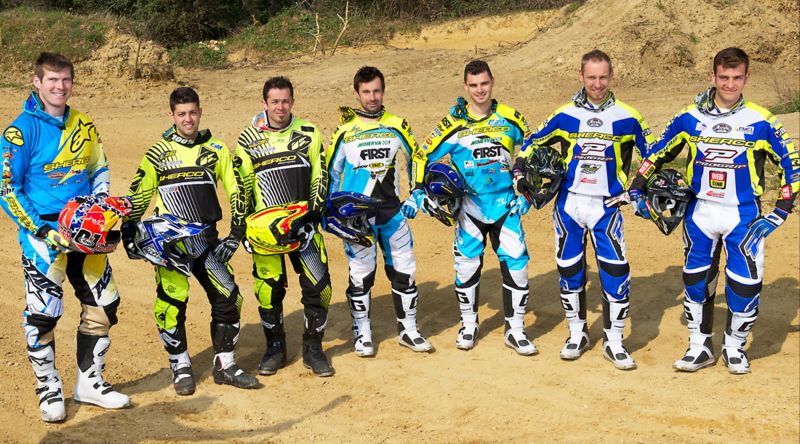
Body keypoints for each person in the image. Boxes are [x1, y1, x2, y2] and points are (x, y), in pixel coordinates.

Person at [628, 47, 798, 374]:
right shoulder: (690, 117)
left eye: (737, 78)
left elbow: (791, 163)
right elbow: (659, 152)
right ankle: (699, 347)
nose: (730, 84)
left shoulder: (762, 120)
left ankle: (735, 348)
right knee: (696, 280)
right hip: (699, 212)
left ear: (747, 77)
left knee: (744, 284)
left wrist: (782, 209)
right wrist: (637, 185)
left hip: (743, 215)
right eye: (724, 77)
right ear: (713, 76)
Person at [0, 52, 130, 422]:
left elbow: (98, 167)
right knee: (42, 316)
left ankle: (89, 383)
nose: (60, 87)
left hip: (87, 232)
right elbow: (7, 188)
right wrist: (42, 229)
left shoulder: (84, 124)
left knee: (105, 305)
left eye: (66, 80)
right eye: (52, 80)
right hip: (44, 235)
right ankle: (48, 386)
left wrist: (100, 208)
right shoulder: (18, 132)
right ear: (37, 82)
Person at [516, 49, 654, 370]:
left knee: (615, 271)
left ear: (612, 76)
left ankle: (614, 341)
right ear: (580, 76)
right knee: (569, 270)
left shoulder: (629, 116)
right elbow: (532, 141)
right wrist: (520, 171)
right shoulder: (564, 114)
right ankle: (577, 334)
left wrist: (636, 189)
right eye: (591, 77)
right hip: (569, 204)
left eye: (603, 77)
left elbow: (652, 155)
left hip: (607, 205)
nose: (597, 84)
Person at [122, 86, 258, 394]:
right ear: (172, 115)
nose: (188, 119)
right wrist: (129, 231)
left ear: (200, 113)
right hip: (171, 245)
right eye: (181, 114)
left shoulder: (217, 149)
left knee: (229, 297)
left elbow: (237, 190)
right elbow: (139, 195)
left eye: (192, 113)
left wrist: (236, 234)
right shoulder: (158, 152)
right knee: (171, 304)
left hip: (207, 239)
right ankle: (180, 365)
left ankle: (225, 364)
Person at [406, 60, 536, 355]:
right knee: (466, 267)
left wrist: (527, 192)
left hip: (506, 204)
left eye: (484, 83)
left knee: (517, 266)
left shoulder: (511, 118)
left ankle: (515, 330)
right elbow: (421, 155)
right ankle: (468, 325)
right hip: (469, 206)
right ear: (465, 86)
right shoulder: (452, 124)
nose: (480, 90)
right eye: (474, 85)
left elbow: (532, 149)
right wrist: (417, 191)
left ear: (492, 82)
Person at [327, 66, 433, 357]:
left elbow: (417, 158)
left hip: (392, 213)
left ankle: (408, 330)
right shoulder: (344, 131)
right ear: (357, 93)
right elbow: (331, 172)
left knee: (404, 270)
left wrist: (417, 194)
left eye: (376, 91)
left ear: (383, 91)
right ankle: (362, 333)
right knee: (361, 275)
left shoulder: (397, 125)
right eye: (366, 92)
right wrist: (331, 211)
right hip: (356, 218)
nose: (372, 97)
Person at [235, 76, 334, 377]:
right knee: (268, 292)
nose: (280, 107)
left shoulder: (309, 132)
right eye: (274, 101)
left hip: (303, 226)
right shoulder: (248, 139)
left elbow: (320, 175)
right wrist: (243, 229)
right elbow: (242, 187)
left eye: (285, 101)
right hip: (266, 231)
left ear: (293, 101)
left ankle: (313, 349)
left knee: (320, 287)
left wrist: (313, 216)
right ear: (264, 103)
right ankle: (275, 348)